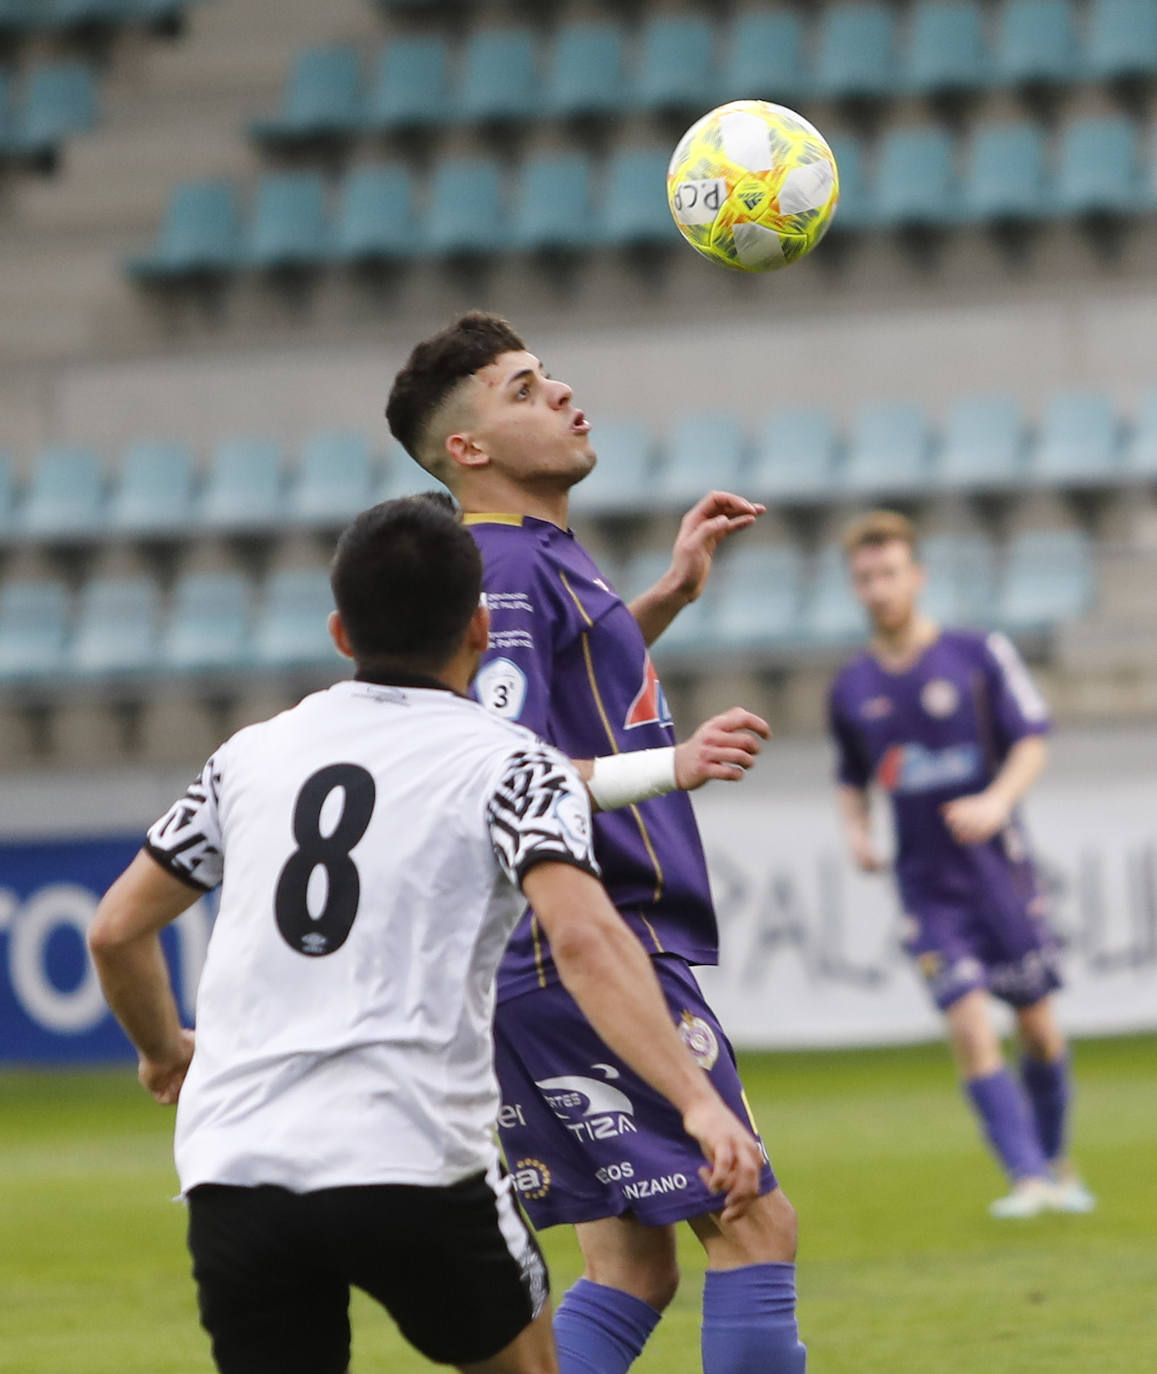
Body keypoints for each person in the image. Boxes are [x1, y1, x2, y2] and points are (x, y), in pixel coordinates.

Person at [87, 495, 766, 1374]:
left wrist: (161, 1049)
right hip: (410, 1153)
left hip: (236, 1164)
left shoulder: (248, 756)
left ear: (340, 632)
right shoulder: (514, 764)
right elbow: (587, 944)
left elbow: (113, 931)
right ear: (482, 627)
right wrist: (698, 1100)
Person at [387, 314, 808, 1374]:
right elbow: (490, 766)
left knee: (630, 1265)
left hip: (527, 966)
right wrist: (672, 765)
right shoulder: (504, 573)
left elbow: (549, 708)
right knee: (751, 1219)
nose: (562, 392)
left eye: (550, 375)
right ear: (467, 451)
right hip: (579, 947)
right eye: (523, 389)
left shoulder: (526, 564)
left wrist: (655, 603)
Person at [826, 509, 1094, 1219]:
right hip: (926, 890)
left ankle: (1055, 1162)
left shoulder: (977, 655)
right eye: (864, 578)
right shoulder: (850, 687)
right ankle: (1026, 1178)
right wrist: (855, 831)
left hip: (997, 876)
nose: (878, 588)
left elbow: (1031, 737)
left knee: (1037, 1028)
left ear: (916, 576)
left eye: (888, 573)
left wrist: (998, 800)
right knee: (970, 1024)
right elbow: (850, 776)